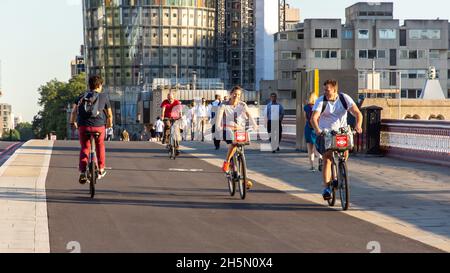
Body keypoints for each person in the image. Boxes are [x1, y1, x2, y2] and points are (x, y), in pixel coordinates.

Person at [311, 79, 363, 200]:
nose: (325, 92)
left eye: (327, 90)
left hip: (342, 131)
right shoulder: (321, 100)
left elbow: (357, 113)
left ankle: (341, 170)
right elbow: (314, 118)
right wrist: (318, 130)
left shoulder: (344, 98)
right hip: (327, 132)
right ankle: (327, 187)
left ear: (334, 89)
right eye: (324, 90)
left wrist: (358, 125)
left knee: (344, 153)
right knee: (328, 158)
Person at [70, 75, 113, 184]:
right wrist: (109, 125)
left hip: (83, 126)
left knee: (85, 147)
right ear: (99, 85)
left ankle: (83, 171)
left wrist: (73, 122)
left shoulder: (81, 96)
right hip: (99, 126)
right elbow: (109, 115)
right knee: (100, 145)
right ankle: (101, 168)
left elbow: (74, 111)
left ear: (89, 85)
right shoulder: (104, 96)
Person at [216, 86, 257, 189]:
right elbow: (219, 116)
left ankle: (243, 177)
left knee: (241, 149)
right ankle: (227, 162)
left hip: (239, 130)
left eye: (238, 95)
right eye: (235, 94)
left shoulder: (242, 105)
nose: (236, 96)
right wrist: (218, 126)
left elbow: (249, 115)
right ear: (231, 93)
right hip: (227, 129)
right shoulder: (224, 105)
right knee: (234, 143)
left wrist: (254, 125)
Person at [303, 92, 323, 172]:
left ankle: (312, 166)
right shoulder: (318, 107)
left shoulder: (306, 107)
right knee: (317, 147)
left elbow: (305, 118)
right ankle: (320, 158)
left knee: (310, 149)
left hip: (308, 128)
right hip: (317, 128)